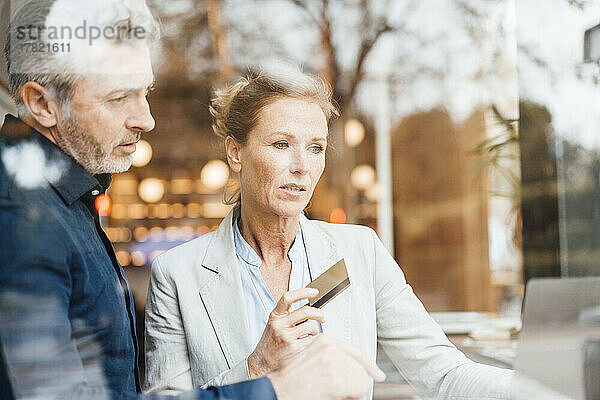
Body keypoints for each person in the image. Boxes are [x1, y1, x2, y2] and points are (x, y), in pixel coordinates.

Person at [0, 1, 384, 399]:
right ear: (43, 104)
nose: (145, 119)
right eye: (119, 98)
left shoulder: (66, 203)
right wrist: (274, 388)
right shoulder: (18, 217)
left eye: (144, 92)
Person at [144, 67, 514, 399]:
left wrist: (541, 390)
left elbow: (444, 374)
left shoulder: (360, 251)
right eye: (281, 144)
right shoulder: (177, 275)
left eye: (316, 148)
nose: (302, 166)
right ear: (235, 152)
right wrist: (258, 367)